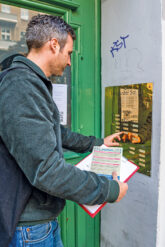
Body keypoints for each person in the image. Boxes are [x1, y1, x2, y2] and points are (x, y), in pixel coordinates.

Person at [0, 14, 128, 246]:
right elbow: (46, 170)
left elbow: (56, 132)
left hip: (39, 225)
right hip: (29, 231)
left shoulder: (31, 83)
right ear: (53, 44)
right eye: (69, 53)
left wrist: (97, 143)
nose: (70, 61)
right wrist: (108, 189)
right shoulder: (20, 86)